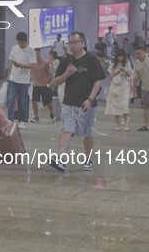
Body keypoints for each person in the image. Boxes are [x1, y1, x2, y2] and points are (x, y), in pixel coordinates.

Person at [50, 32, 105, 172]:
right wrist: (67, 73)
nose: (72, 45)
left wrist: (90, 99)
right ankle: (61, 159)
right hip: (69, 102)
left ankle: (88, 159)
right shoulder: (66, 61)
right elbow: (55, 82)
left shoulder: (92, 60)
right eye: (70, 42)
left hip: (86, 104)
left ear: (83, 43)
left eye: (75, 42)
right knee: (67, 130)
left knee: (87, 134)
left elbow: (98, 81)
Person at [7, 31, 36, 129]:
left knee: (23, 101)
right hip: (13, 79)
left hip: (24, 81)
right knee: (11, 100)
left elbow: (33, 66)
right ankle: (10, 120)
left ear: (25, 41)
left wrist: (22, 65)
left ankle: (23, 121)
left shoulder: (31, 50)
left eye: (21, 43)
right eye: (18, 42)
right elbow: (10, 62)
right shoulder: (14, 48)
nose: (19, 44)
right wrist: (8, 75)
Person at [105, 49, 133, 131]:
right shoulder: (113, 64)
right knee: (115, 105)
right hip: (115, 86)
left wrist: (125, 70)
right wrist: (116, 71)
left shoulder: (127, 63)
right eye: (119, 56)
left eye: (122, 56)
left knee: (125, 105)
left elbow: (129, 74)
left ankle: (125, 123)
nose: (120, 58)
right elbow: (110, 76)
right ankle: (117, 123)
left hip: (124, 85)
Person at [30, 48, 55, 123]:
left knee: (48, 102)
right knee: (34, 101)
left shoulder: (46, 62)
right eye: (35, 53)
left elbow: (50, 74)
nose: (37, 55)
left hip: (45, 85)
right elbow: (30, 72)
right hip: (36, 85)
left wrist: (52, 84)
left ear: (40, 53)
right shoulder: (32, 63)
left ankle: (51, 113)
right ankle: (36, 117)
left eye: (38, 53)